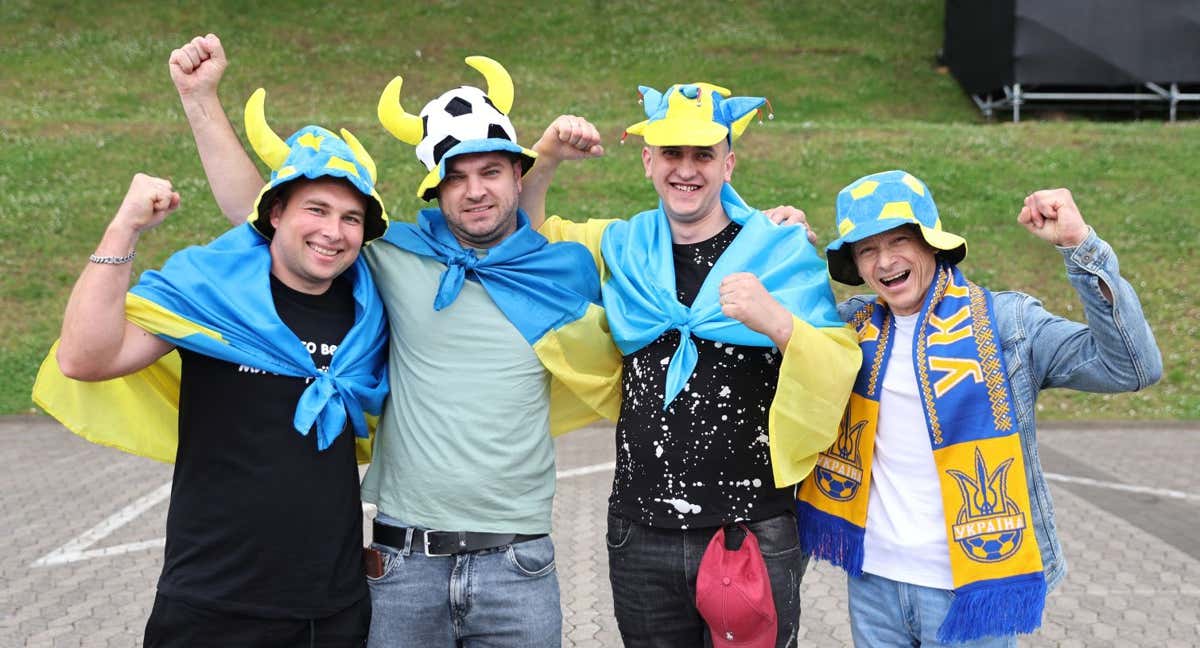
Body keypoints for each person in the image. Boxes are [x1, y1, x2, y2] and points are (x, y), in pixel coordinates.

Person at [167, 34, 619, 647]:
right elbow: (262, 215)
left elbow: (670, 248)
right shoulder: (394, 259)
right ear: (434, 188)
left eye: (491, 171)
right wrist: (201, 101)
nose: (476, 191)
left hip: (519, 565)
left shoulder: (561, 273)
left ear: (518, 173)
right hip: (405, 563)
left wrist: (765, 227)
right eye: (456, 178)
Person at [33, 94, 391, 646]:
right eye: (316, 209)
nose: (334, 231)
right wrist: (124, 229)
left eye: (351, 218)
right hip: (211, 602)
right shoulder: (213, 297)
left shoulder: (371, 311)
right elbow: (85, 358)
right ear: (274, 215)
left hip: (333, 608)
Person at [524, 82, 862, 647]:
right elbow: (530, 240)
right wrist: (547, 155)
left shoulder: (779, 251)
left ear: (727, 164)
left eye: (703, 154)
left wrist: (776, 320)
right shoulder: (620, 248)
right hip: (639, 531)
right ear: (648, 162)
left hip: (750, 527)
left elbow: (836, 363)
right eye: (672, 154)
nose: (687, 169)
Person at [796, 170, 1162, 646]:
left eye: (900, 241)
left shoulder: (1009, 323)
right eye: (867, 250)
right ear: (857, 265)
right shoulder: (847, 329)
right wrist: (784, 252)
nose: (886, 261)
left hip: (971, 589)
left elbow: (1132, 368)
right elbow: (767, 336)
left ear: (932, 244)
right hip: (873, 583)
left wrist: (1080, 247)